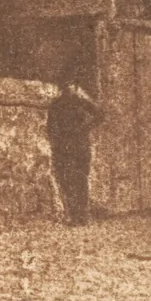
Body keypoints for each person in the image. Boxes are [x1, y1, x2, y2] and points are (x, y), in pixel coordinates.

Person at [46, 76, 102, 225]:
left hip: (80, 145)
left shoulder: (82, 103)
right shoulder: (56, 105)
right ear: (61, 88)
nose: (69, 88)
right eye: (66, 86)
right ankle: (73, 215)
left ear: (75, 86)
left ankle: (83, 215)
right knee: (67, 181)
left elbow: (100, 114)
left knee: (81, 179)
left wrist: (84, 128)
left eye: (71, 85)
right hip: (64, 147)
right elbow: (50, 127)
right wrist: (57, 142)